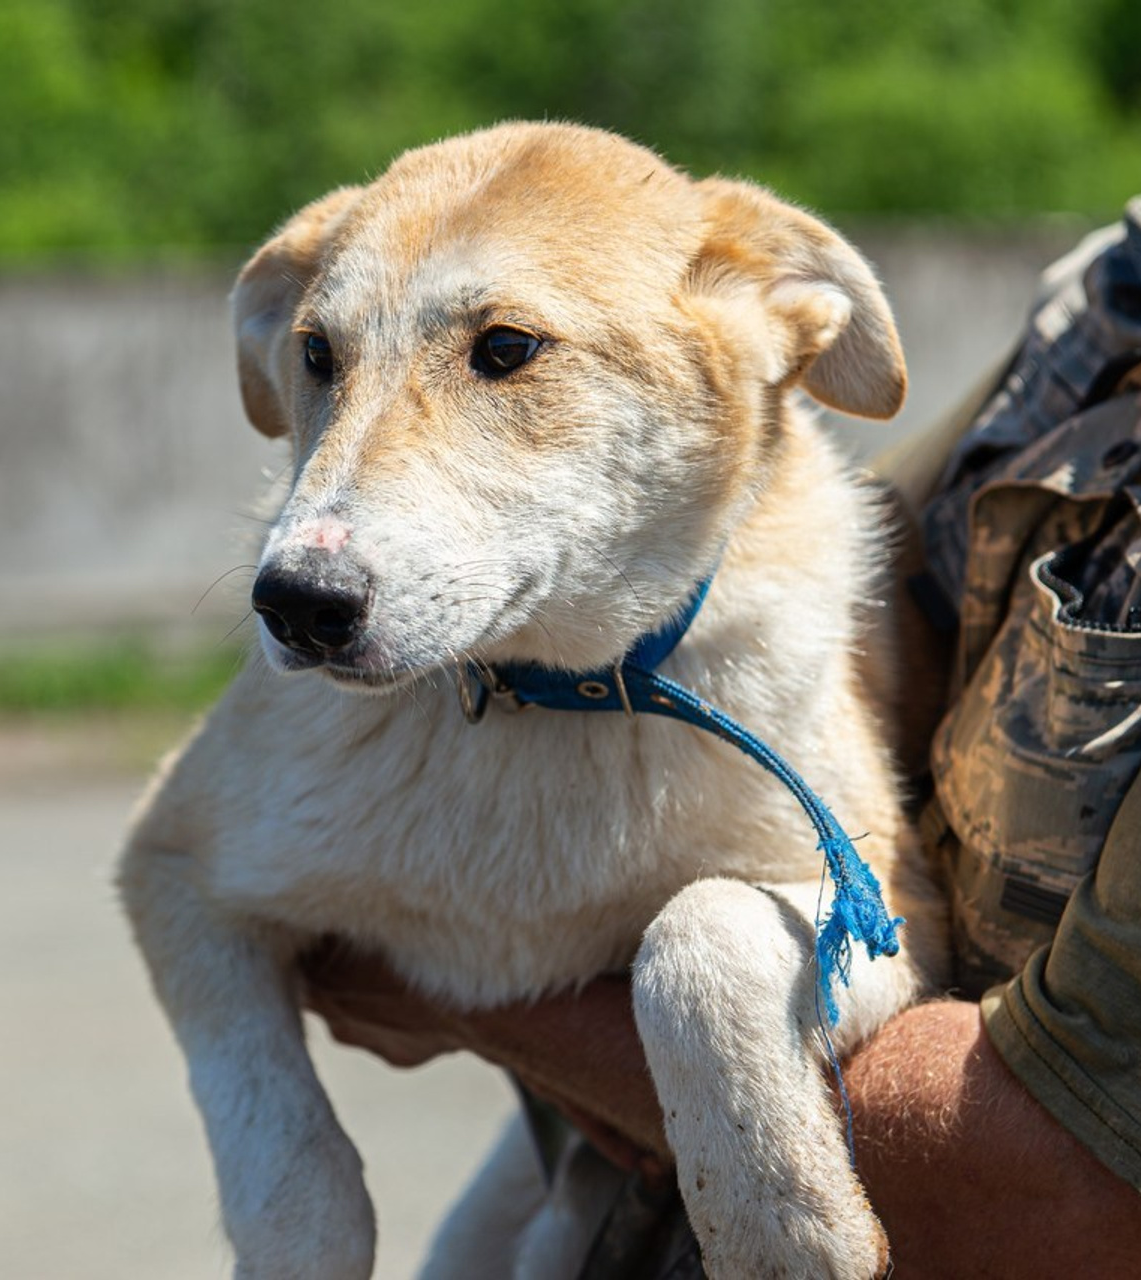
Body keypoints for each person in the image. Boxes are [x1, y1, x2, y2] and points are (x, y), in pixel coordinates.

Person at [303, 203, 1141, 1277]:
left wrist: (442, 962)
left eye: (505, 352)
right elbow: (865, 588)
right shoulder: (1112, 289)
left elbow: (1049, 1187)